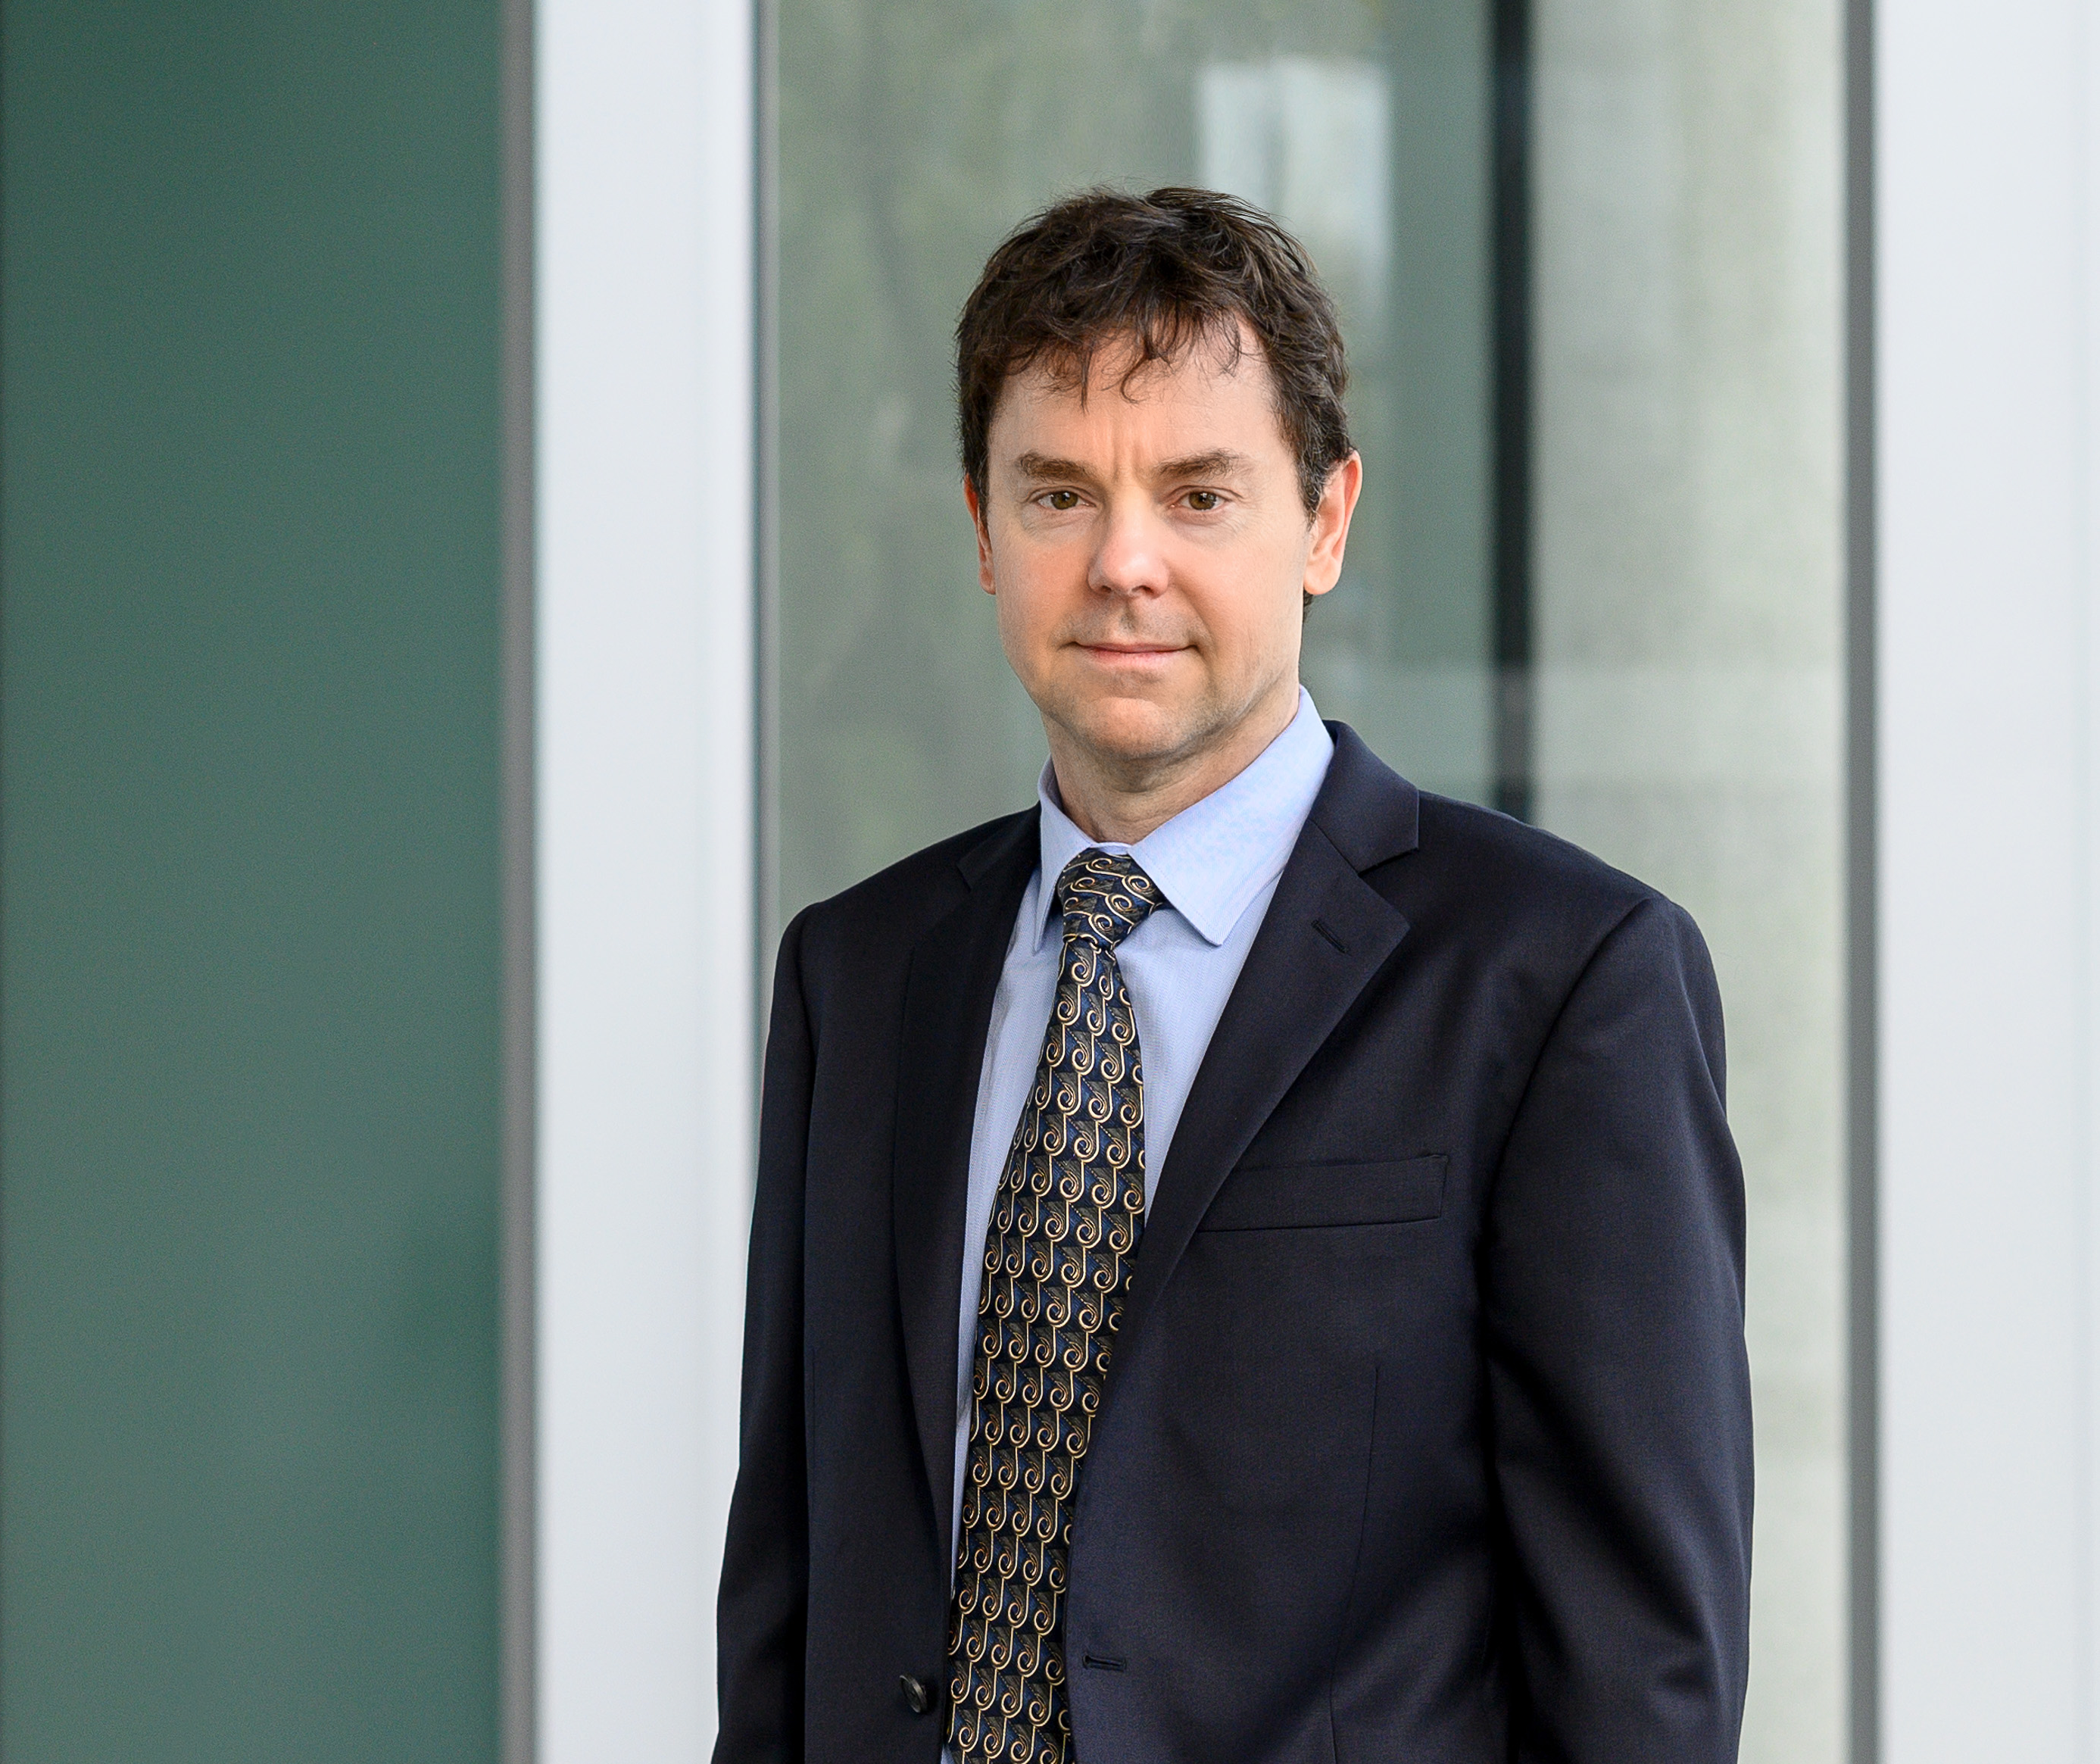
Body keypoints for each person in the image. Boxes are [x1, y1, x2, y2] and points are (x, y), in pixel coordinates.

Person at [711, 187, 1751, 1764]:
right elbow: (788, 1601)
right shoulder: (855, 976)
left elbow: (1640, 1674)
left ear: (1325, 520)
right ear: (983, 530)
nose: (1122, 562)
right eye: (1059, 494)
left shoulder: (1560, 984)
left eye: (1198, 495)